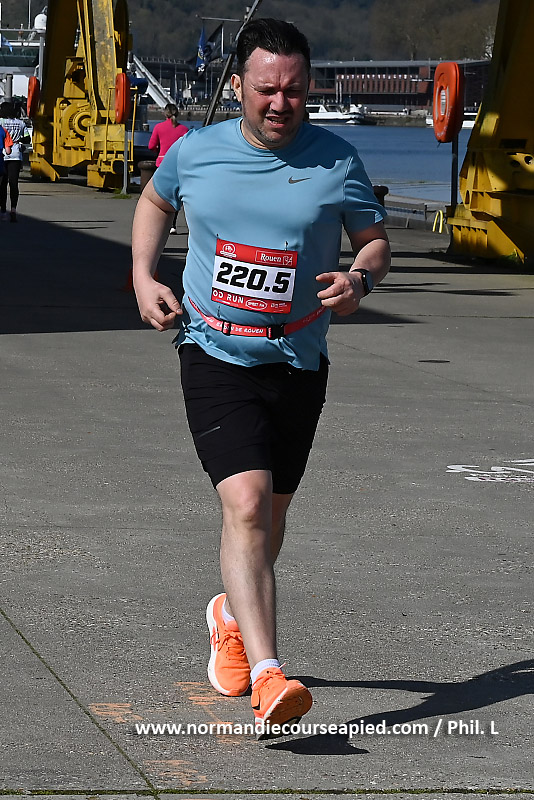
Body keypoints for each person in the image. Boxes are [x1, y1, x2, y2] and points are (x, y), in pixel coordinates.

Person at [132, 18, 390, 739]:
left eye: (295, 91)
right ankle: (271, 673)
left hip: (298, 360)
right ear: (239, 85)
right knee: (245, 505)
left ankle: (229, 615)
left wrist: (360, 280)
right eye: (267, 89)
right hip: (214, 351)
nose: (281, 103)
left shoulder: (337, 160)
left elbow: (374, 241)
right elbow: (155, 201)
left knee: (270, 518)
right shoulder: (196, 150)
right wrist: (143, 275)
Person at [148, 103, 188, 234]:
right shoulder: (184, 130)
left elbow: (151, 146)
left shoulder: (158, 127)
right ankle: (173, 224)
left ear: (165, 114)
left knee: (161, 194)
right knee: (176, 196)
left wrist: (158, 151)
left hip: (162, 162)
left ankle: (160, 223)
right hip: (179, 164)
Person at [0, 101, 30, 223]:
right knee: (13, 183)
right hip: (16, 155)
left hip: (2, 155)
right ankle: (13, 209)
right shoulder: (21, 123)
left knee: (2, 184)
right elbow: (27, 139)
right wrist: (17, 140)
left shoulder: (1, 122)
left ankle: (3, 210)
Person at [0, 121, 13, 209]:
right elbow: (8, 151)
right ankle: (3, 210)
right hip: (0, 162)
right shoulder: (3, 130)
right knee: (2, 187)